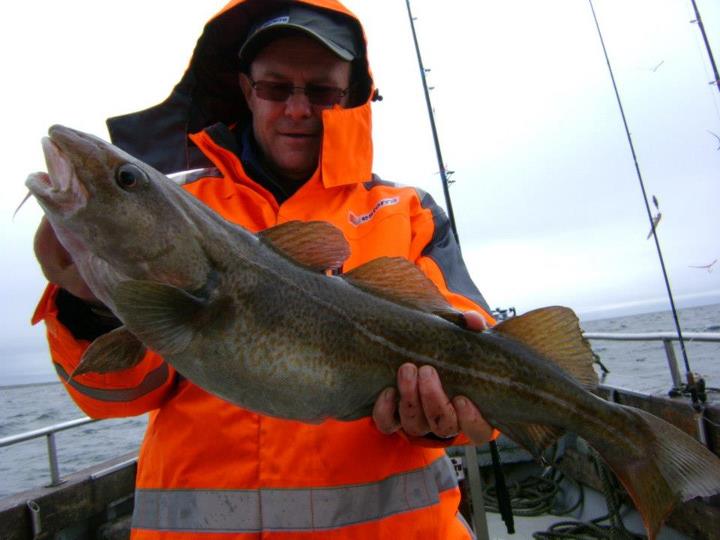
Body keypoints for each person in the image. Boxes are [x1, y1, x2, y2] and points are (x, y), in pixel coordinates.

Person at [32, 1, 498, 538]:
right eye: (276, 88)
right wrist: (87, 304)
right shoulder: (182, 203)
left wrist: (455, 419)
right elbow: (111, 397)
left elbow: (477, 356)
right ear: (247, 89)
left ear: (351, 98)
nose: (298, 110)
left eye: (321, 91)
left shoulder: (408, 210)